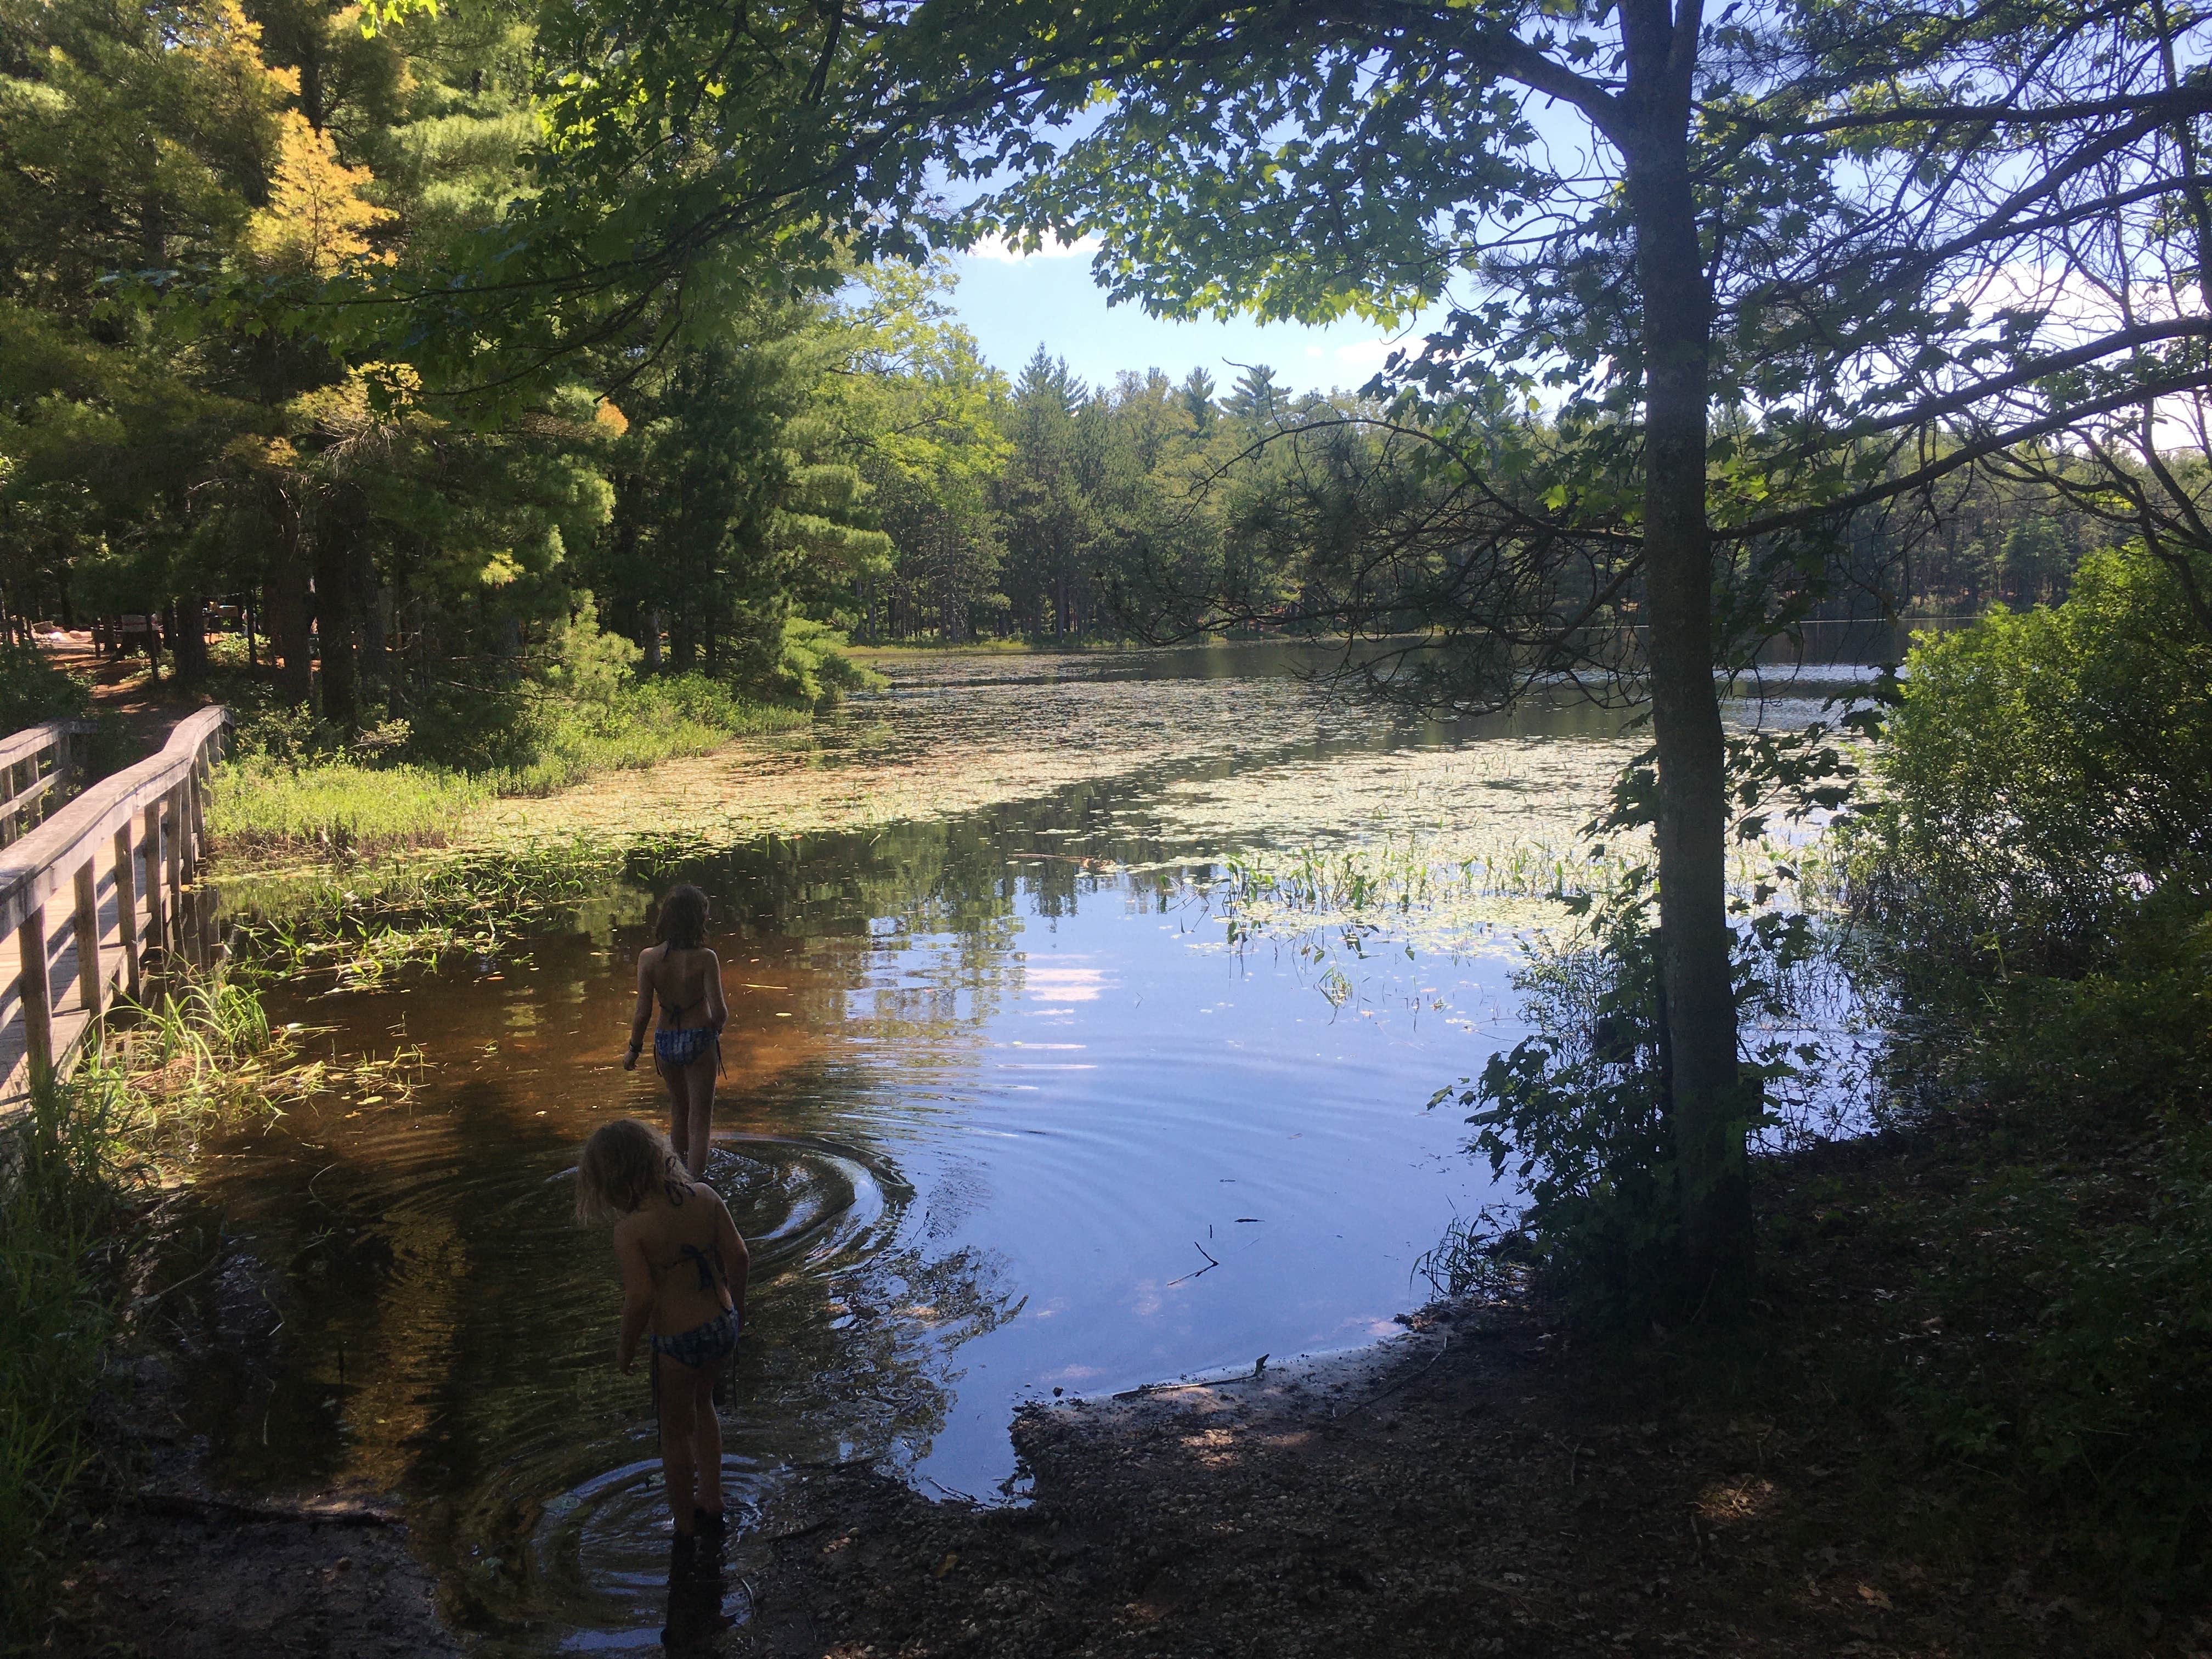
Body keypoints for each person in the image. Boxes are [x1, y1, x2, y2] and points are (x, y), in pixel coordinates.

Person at [575, 1118, 749, 1555]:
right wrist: (737, 1311)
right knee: (704, 1405)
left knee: (674, 1432)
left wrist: (625, 1348)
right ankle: (712, 1497)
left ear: (613, 1183)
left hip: (677, 1343)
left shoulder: (630, 1231)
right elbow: (740, 1256)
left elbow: (641, 1298)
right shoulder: (706, 1196)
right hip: (720, 1324)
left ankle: (685, 1526)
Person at [623, 884, 728, 1176]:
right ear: (698, 919)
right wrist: (713, 1033)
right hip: (699, 1039)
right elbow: (720, 1013)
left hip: (665, 1041)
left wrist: (633, 1050)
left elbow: (643, 1012)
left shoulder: (648, 958)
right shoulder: (707, 958)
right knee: (700, 1117)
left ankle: (678, 1176)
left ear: (666, 918)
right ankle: (695, 1184)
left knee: (679, 1110)